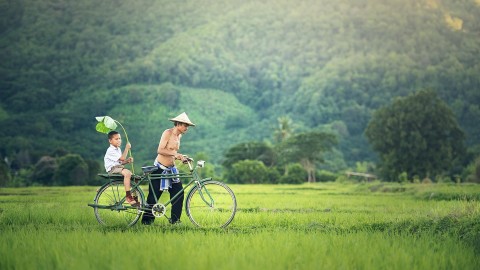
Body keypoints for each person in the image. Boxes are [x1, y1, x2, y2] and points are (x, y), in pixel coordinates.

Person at [141, 112, 195, 225]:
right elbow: (160, 150)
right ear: (178, 124)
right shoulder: (167, 133)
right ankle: (146, 223)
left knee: (178, 193)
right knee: (153, 197)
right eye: (185, 125)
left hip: (171, 169)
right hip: (159, 168)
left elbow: (173, 153)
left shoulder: (179, 136)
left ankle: (175, 221)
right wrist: (176, 154)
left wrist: (182, 157)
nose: (186, 128)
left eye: (187, 126)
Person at [104, 130, 139, 206]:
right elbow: (122, 158)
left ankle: (135, 197)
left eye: (119, 138)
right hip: (112, 169)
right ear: (110, 141)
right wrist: (126, 148)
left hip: (118, 167)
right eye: (116, 139)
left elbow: (121, 162)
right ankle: (128, 196)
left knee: (135, 178)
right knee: (128, 173)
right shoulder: (110, 150)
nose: (119, 140)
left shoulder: (118, 149)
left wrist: (127, 161)